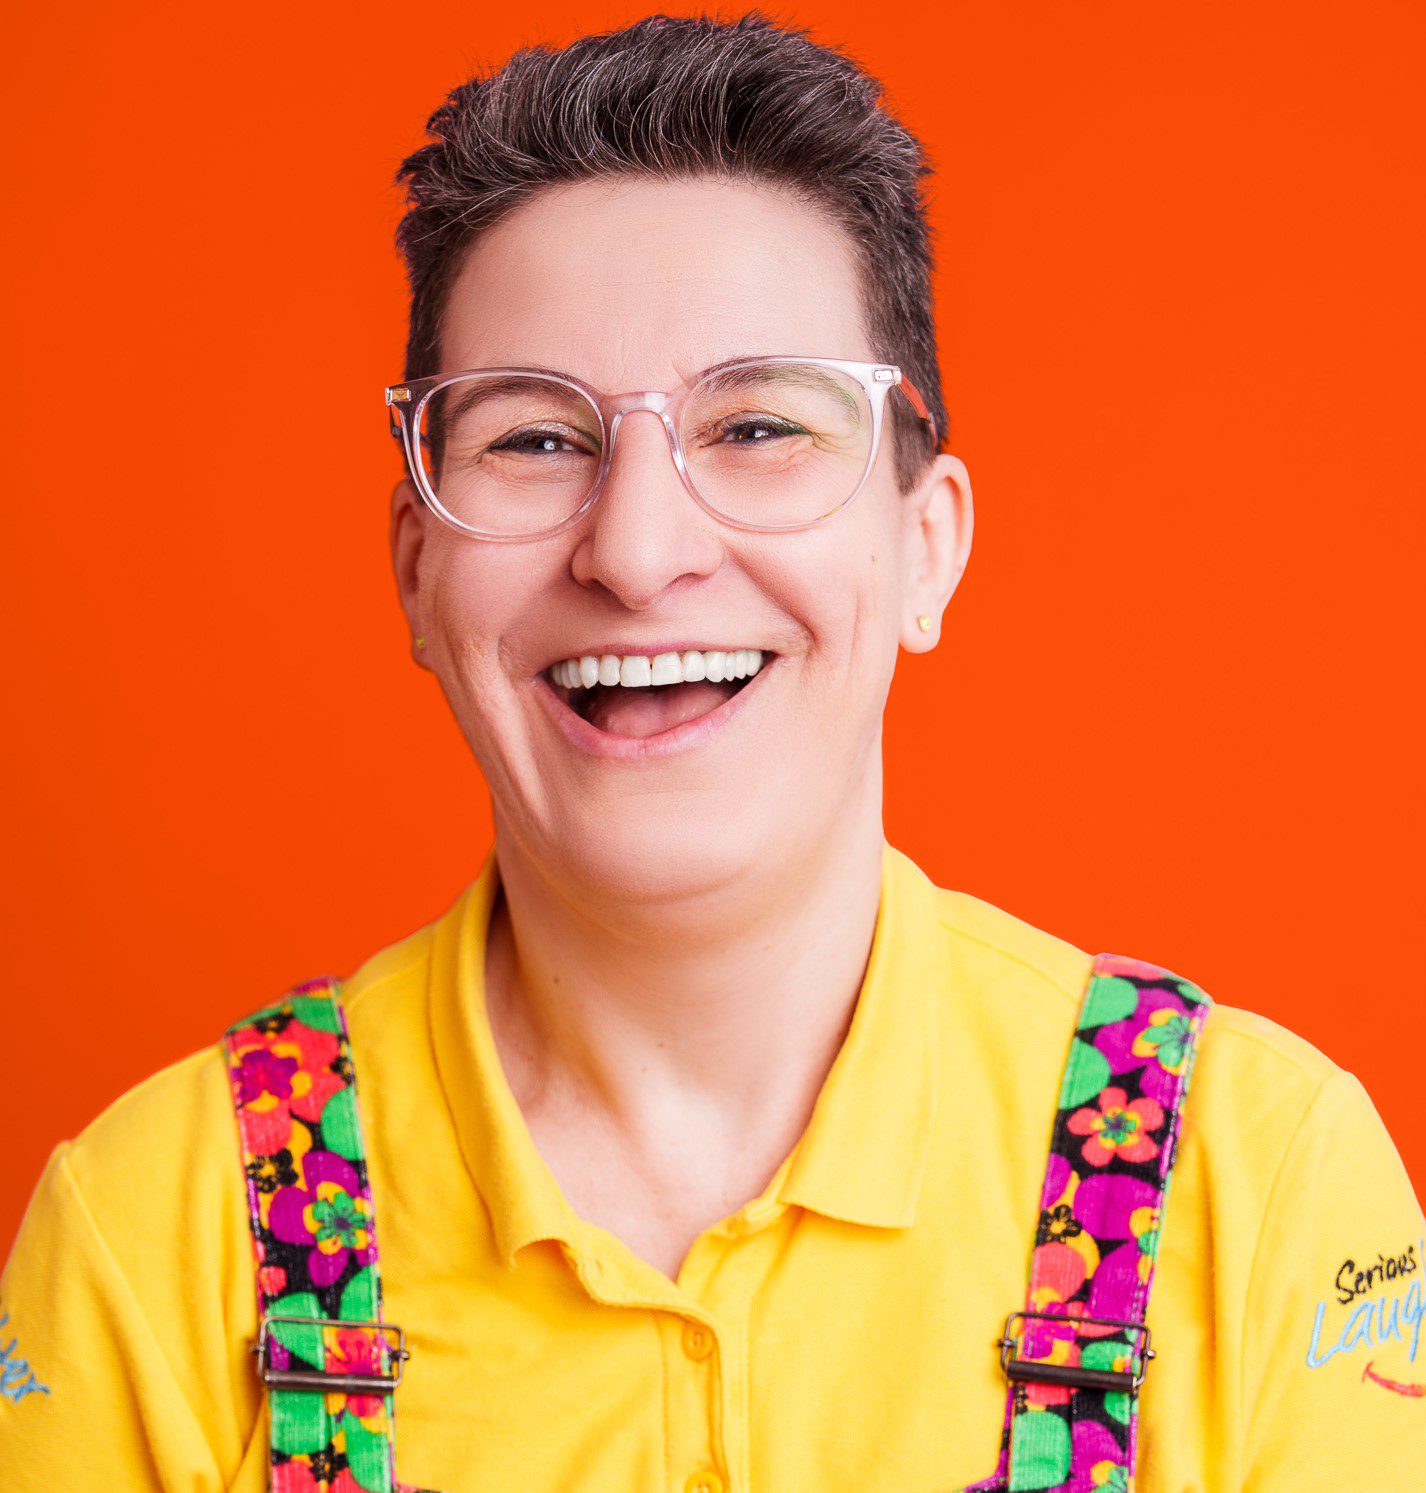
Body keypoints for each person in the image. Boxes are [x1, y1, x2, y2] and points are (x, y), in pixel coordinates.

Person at [2, 14, 1421, 1492]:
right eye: (535, 440)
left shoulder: (1253, 1179)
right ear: (415, 571)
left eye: (754, 424)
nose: (635, 548)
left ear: (923, 546)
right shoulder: (160, 1235)